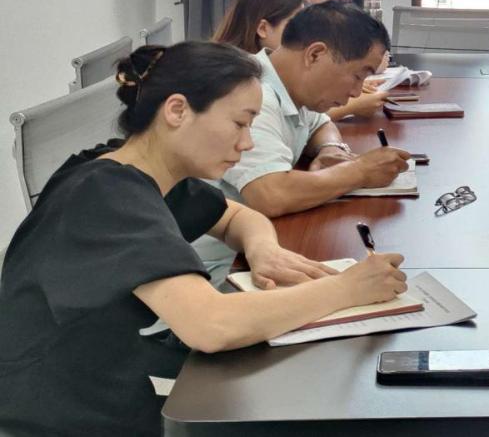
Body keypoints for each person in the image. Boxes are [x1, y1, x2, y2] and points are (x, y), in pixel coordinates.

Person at [0, 42, 407, 437]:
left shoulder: (133, 168)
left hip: (104, 378)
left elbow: (237, 217)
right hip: (60, 413)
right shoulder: (109, 195)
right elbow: (211, 325)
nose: (247, 143)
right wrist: (346, 289)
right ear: (177, 110)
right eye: (240, 123)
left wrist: (263, 250)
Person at [209, 1, 410, 219]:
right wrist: (360, 171)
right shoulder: (253, 95)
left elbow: (321, 123)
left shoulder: (293, 85)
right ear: (315, 55)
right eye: (358, 75)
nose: (356, 92)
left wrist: (331, 148)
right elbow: (270, 194)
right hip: (221, 239)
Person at [215, 0, 390, 119]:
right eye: (293, 22)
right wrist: (352, 106)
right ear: (263, 28)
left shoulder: (285, 78)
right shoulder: (245, 87)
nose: (303, 31)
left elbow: (315, 123)